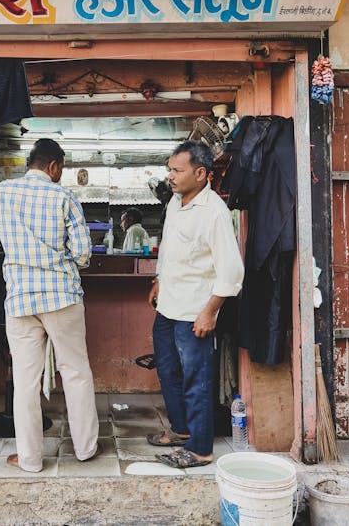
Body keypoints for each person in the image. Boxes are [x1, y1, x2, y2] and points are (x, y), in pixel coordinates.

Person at [0, 138, 100, 473]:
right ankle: (85, 449)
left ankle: (29, 459)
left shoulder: (0, 193)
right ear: (54, 166)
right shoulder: (65, 197)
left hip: (21, 299)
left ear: (31, 162)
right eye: (62, 169)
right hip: (62, 297)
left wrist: (5, 252)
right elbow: (84, 253)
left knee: (26, 382)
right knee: (75, 371)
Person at [147, 141, 244, 469]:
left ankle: (201, 450)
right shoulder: (176, 203)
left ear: (201, 174)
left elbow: (232, 270)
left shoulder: (214, 211)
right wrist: (159, 278)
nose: (170, 177)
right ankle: (182, 431)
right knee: (168, 370)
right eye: (169, 169)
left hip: (194, 313)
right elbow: (171, 248)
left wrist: (210, 310)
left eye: (178, 170)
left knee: (196, 379)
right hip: (168, 307)